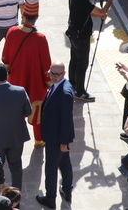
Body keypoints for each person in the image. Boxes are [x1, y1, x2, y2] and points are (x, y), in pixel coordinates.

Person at [0, 62, 32, 190]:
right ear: (7, 74)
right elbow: (28, 111)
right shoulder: (20, 91)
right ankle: (16, 196)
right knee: (16, 166)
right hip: (16, 136)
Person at [1, 13, 50, 146]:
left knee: (15, 110)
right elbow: (46, 64)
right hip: (35, 80)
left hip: (15, 79)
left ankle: (13, 138)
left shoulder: (12, 31)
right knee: (38, 109)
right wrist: (48, 82)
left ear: (23, 15)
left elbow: (5, 57)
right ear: (37, 17)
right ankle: (38, 139)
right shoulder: (40, 38)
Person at [67, 0, 116, 102]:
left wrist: (98, 16)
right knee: (82, 64)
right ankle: (80, 91)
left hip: (73, 33)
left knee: (74, 60)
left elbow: (85, 14)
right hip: (82, 37)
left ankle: (71, 84)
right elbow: (102, 11)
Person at [36, 61, 74, 209]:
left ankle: (50, 198)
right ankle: (67, 190)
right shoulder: (58, 84)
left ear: (64, 74)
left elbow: (66, 120)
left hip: (56, 138)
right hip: (56, 135)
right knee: (64, 162)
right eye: (51, 73)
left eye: (56, 75)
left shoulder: (65, 93)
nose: (52, 77)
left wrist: (63, 142)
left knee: (51, 168)